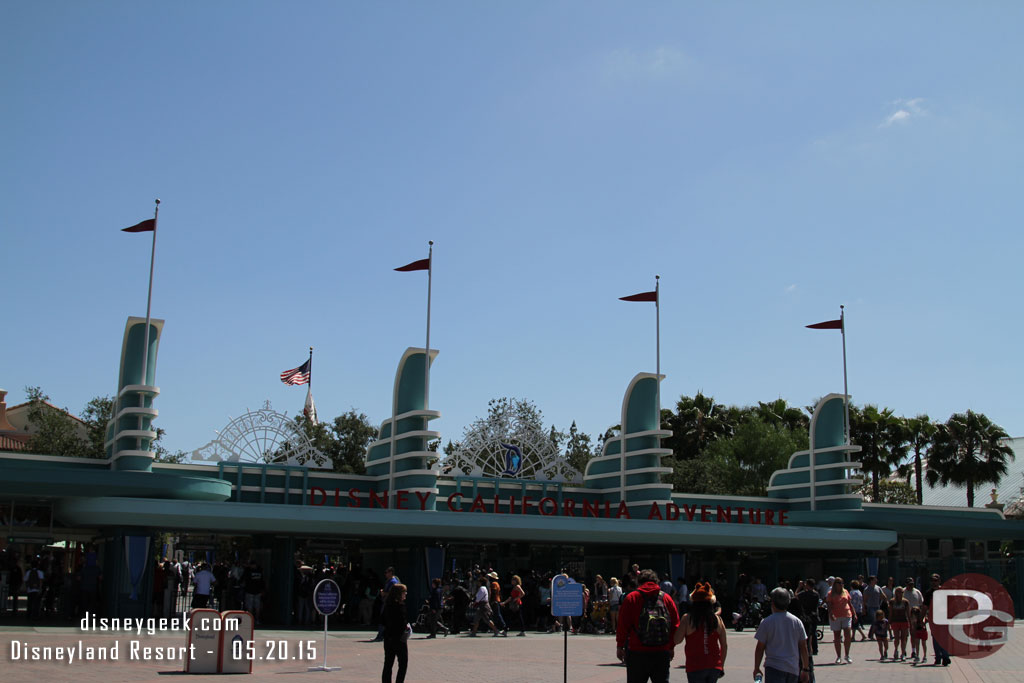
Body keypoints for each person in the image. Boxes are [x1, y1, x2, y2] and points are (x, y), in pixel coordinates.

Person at [615, 568, 680, 683]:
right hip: (661, 651)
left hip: (637, 651)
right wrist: (671, 646)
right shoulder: (666, 598)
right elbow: (675, 625)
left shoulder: (632, 598)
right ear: (657, 582)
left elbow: (622, 625)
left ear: (639, 582)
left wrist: (620, 646)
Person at [673, 582, 727, 683]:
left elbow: (677, 640)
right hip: (714, 666)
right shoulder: (717, 619)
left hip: (695, 666)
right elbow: (724, 645)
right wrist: (721, 665)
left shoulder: (688, 618)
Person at [753, 587, 810, 683]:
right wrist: (805, 668)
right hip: (792, 668)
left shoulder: (767, 622)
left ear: (773, 603)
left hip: (773, 667)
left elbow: (760, 648)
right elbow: (803, 647)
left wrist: (757, 668)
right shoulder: (796, 622)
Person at [381, 582, 409, 683]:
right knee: (403, 663)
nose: (405, 594)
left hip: (388, 637)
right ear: (399, 594)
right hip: (399, 638)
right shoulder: (400, 606)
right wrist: (407, 627)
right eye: (404, 592)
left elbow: (382, 620)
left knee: (388, 663)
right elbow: (402, 622)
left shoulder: (388, 605)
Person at [923, 573, 951, 666]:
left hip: (943, 618)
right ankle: (938, 657)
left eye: (936, 580)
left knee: (944, 638)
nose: (934, 582)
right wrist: (922, 618)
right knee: (935, 639)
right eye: (932, 580)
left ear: (939, 581)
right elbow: (925, 607)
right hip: (933, 619)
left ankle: (945, 657)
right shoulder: (928, 593)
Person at [826, 576, 854, 664]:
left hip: (846, 614)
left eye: (842, 583)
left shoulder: (845, 591)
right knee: (837, 637)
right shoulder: (830, 593)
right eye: (839, 583)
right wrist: (831, 614)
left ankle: (847, 655)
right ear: (835, 584)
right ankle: (838, 656)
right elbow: (829, 605)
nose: (841, 585)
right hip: (836, 616)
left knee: (848, 635)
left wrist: (854, 613)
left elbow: (849, 603)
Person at [902, 578, 924, 660]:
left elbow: (921, 604)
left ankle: (913, 651)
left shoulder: (917, 592)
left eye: (912, 584)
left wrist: (922, 617)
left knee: (913, 634)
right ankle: (903, 650)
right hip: (905, 616)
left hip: (915, 616)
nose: (910, 585)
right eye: (909, 584)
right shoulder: (903, 592)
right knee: (905, 635)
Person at [888, 586, 911, 660]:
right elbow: (890, 612)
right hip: (895, 621)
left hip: (904, 621)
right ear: (895, 593)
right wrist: (889, 621)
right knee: (896, 638)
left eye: (901, 592)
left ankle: (903, 653)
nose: (900, 593)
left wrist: (910, 622)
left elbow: (908, 613)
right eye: (898, 592)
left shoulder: (905, 602)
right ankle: (896, 650)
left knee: (903, 638)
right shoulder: (892, 601)